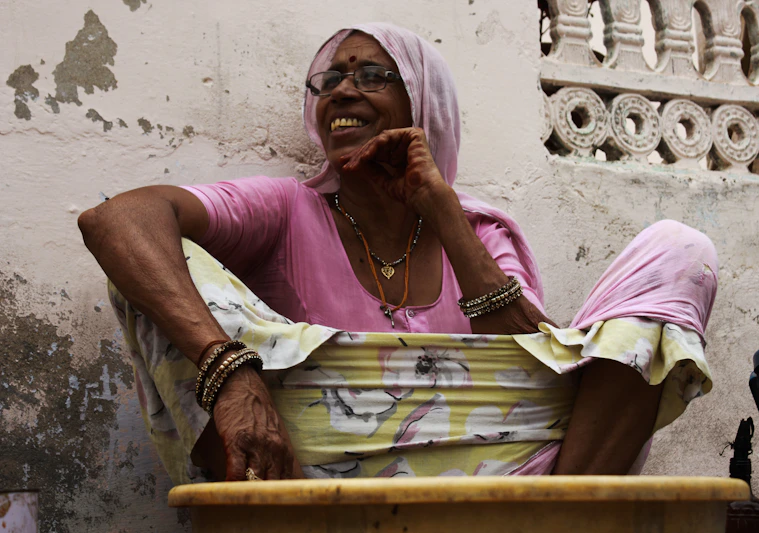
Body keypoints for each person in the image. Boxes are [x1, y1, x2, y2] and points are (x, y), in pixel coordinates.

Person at [78, 23, 718, 484]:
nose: (342, 91)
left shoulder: (481, 230)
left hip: (503, 470)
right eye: (330, 79)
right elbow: (118, 218)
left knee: (679, 247)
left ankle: (561, 510)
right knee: (154, 262)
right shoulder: (285, 209)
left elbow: (534, 369)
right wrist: (229, 372)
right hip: (321, 475)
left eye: (373, 76)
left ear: (423, 105)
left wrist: (440, 207)